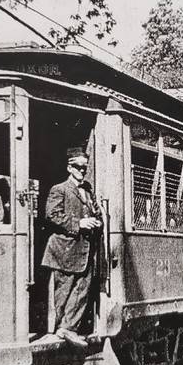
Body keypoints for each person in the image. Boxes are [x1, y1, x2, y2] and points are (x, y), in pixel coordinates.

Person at [41, 147, 103, 347]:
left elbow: (96, 213)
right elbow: (52, 215)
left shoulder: (88, 190)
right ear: (70, 168)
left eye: (85, 167)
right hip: (64, 249)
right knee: (64, 291)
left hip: (84, 249)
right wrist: (79, 224)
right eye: (78, 167)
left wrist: (96, 221)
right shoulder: (59, 189)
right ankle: (58, 329)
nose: (82, 171)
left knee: (81, 290)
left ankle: (68, 328)